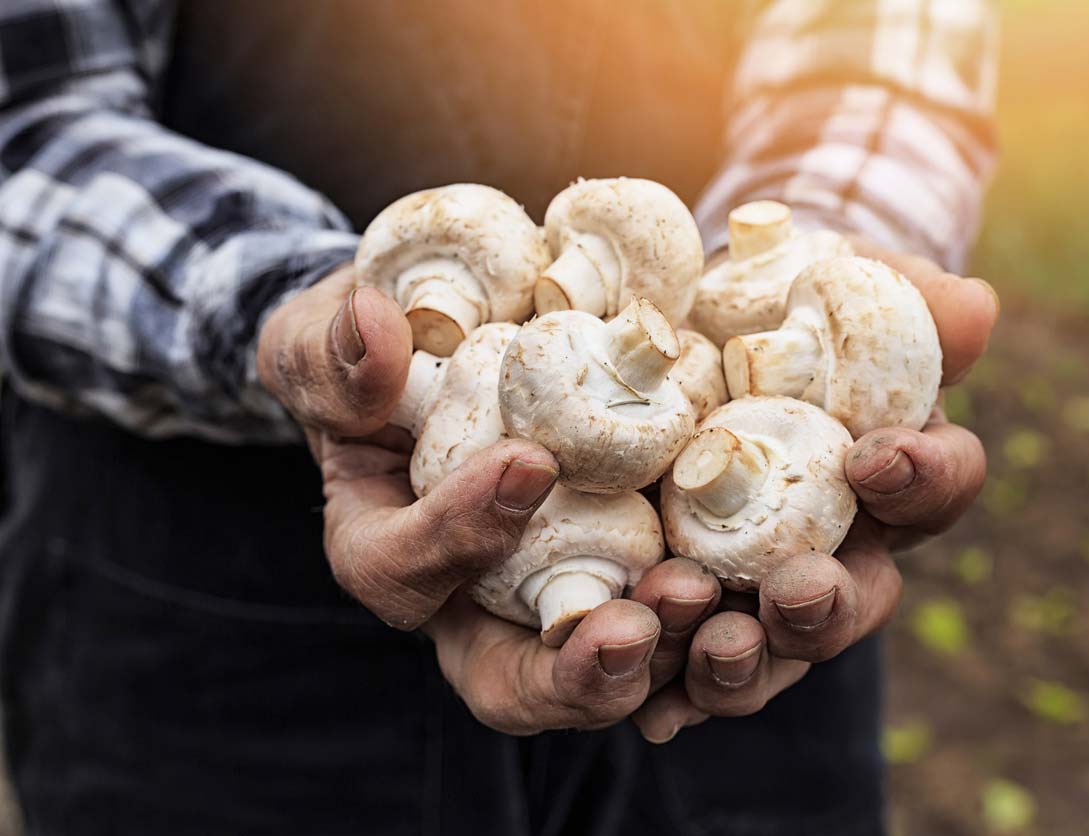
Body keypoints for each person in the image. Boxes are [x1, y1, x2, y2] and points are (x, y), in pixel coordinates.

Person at [0, 1, 999, 833]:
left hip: (731, 593)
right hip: (200, 592)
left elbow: (886, 62)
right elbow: (27, 124)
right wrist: (310, 317)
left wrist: (834, 273)